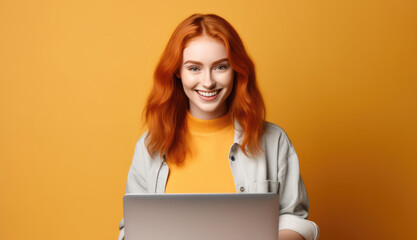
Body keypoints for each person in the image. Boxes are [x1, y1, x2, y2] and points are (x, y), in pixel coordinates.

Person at [118, 13, 320, 240]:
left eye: (220, 67)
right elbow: (131, 230)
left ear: (237, 70)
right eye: (194, 68)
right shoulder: (149, 147)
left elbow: (295, 219)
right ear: (177, 71)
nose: (208, 82)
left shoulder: (273, 140)